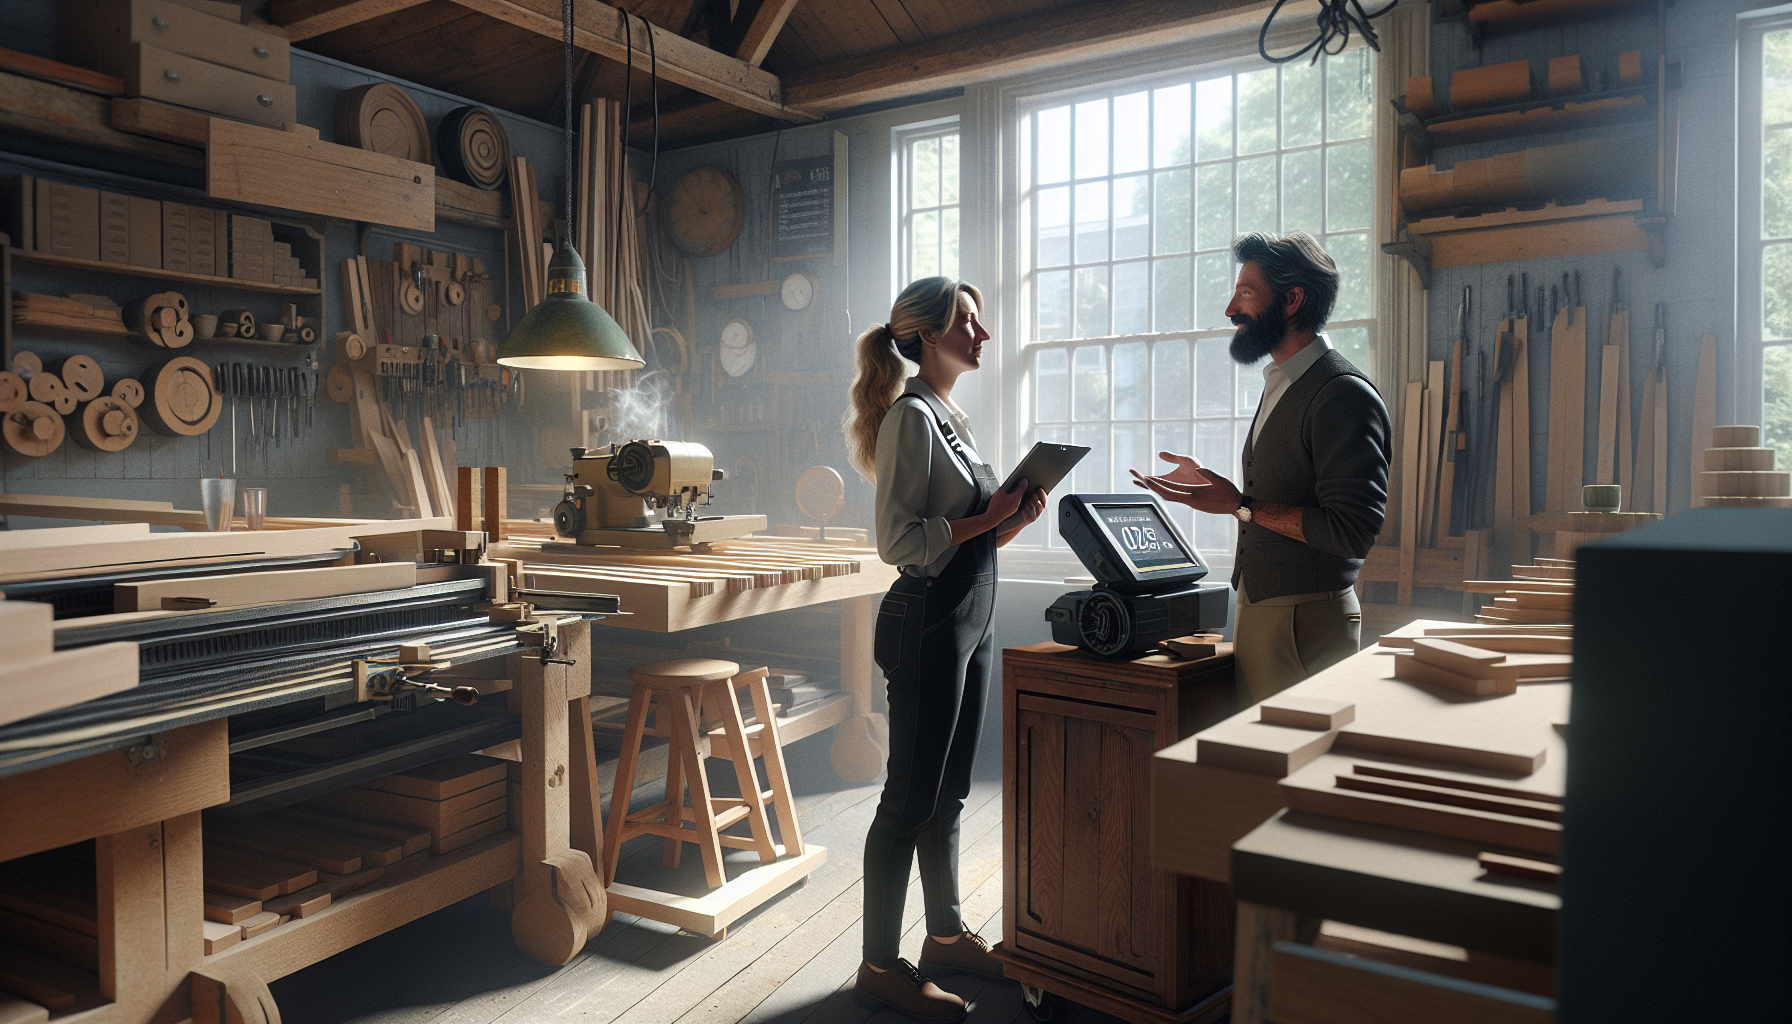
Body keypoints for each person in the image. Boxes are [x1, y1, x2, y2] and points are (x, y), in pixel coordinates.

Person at [843, 277, 1045, 1021]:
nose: (983, 334)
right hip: (927, 619)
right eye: (968, 321)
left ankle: (946, 933)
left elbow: (967, 532)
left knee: (950, 793)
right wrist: (982, 519)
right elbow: (899, 543)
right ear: (928, 336)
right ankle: (878, 963)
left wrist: (1010, 519)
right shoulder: (911, 420)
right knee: (907, 800)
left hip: (973, 615)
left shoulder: (952, 416)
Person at [1132, 231, 1390, 703]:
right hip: (1265, 612)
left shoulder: (1343, 394)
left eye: (1245, 293)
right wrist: (1228, 494)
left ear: (1292, 300)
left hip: (1302, 622)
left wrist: (1241, 505)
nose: (1230, 309)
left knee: (1293, 768)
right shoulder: (1283, 380)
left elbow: (1352, 531)